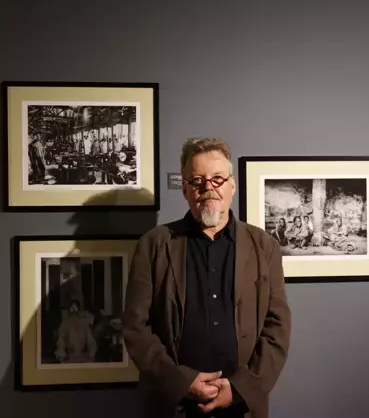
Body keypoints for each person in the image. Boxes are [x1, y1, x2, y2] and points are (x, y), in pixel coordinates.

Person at [122, 137, 292, 418]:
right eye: (197, 180)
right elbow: (136, 327)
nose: (208, 188)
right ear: (185, 189)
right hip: (173, 405)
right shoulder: (154, 244)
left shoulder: (264, 246)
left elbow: (277, 330)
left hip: (242, 408)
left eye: (217, 179)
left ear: (232, 185)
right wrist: (180, 381)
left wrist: (240, 389)